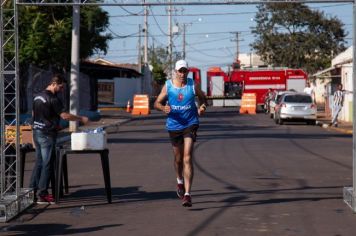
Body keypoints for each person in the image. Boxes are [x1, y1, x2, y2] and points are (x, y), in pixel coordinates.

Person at [154, 59, 207, 207]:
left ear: (188, 72)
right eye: (180, 71)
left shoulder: (192, 85)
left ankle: (188, 194)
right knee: (178, 159)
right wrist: (162, 108)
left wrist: (202, 107)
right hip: (174, 125)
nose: (182, 74)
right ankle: (179, 182)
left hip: (190, 124)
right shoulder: (168, 86)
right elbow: (156, 103)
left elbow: (203, 98)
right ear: (175, 72)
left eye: (185, 71)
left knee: (187, 156)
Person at [30, 74, 89, 204]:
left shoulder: (37, 96)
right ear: (55, 83)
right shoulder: (53, 99)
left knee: (39, 162)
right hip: (47, 134)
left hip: (37, 131)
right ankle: (42, 194)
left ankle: (31, 191)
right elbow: (65, 116)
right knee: (47, 164)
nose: (62, 90)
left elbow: (33, 114)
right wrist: (81, 118)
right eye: (61, 87)